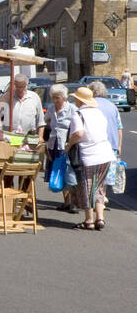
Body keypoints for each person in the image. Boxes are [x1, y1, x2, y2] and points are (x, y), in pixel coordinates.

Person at [67, 87, 114, 230]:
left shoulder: (79, 114)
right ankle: (100, 219)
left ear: (79, 100)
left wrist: (69, 145)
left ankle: (89, 220)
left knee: (86, 188)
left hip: (89, 155)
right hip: (105, 154)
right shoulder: (99, 113)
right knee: (99, 186)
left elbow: (79, 134)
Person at [40, 84, 79, 213]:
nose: (55, 100)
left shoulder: (72, 109)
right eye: (53, 97)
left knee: (69, 173)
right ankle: (66, 202)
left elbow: (77, 126)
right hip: (53, 144)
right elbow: (45, 121)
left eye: (57, 97)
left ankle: (73, 202)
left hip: (66, 145)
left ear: (63, 97)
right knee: (59, 172)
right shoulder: (51, 109)